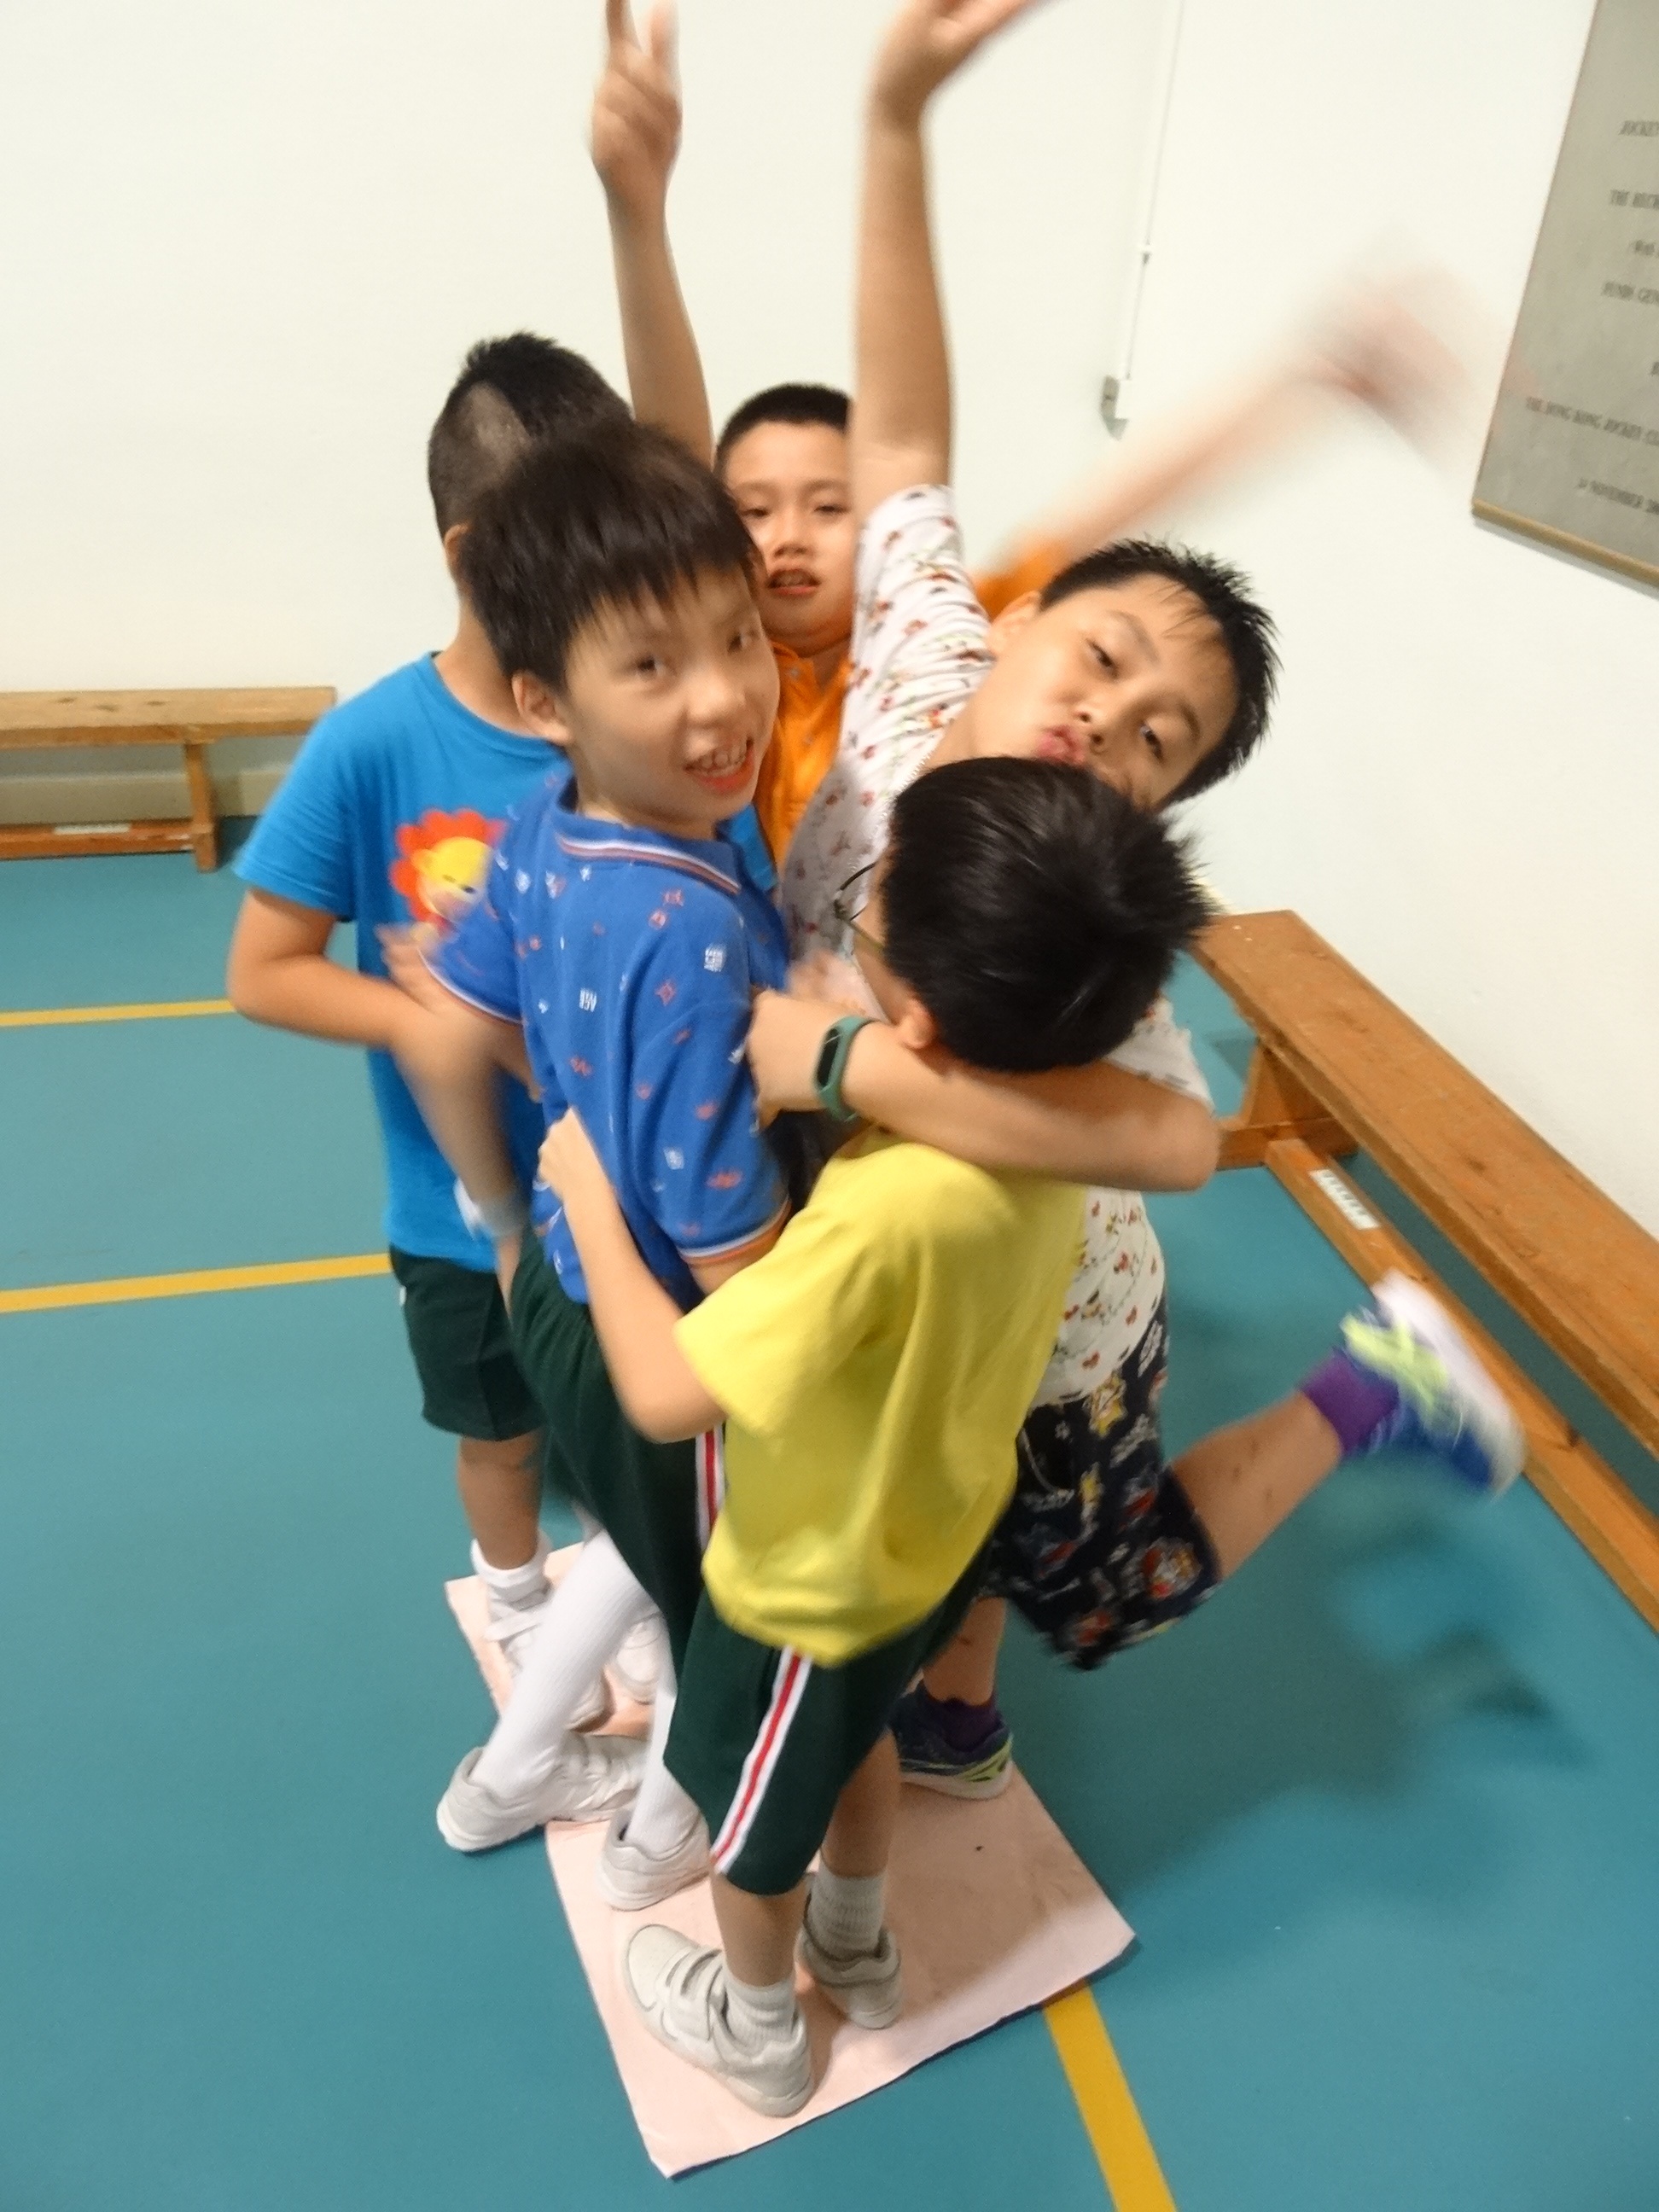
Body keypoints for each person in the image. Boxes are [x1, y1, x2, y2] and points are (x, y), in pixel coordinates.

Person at [742, 0, 1522, 1797]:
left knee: (1101, 1586)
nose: (1108, 716)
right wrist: (895, 116)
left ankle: (1372, 1388)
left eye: (1159, 737)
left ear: (1152, 808)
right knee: (919, 1502)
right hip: (899, 1251)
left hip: (1061, 1340)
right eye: (1098, 659)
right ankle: (952, 1701)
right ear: (1009, 621)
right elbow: (904, 425)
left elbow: (1176, 1143)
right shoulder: (915, 667)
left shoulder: (1091, 947)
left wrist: (845, 1067)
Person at [538, 751, 1214, 2116]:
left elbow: (667, 1392)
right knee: (858, 1747)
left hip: (804, 1585)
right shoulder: (1043, 1146)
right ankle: (859, 1941)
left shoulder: (887, 1211)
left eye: (877, 895)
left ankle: (758, 2026)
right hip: (935, 1541)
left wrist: (588, 1194)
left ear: (917, 1021)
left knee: (752, 1827)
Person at [224, 6, 720, 1699]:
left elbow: (685, 478)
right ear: (471, 553)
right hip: (463, 1209)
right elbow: (266, 969)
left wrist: (639, 212)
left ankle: (634, 1597)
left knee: (650, 1429)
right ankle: (518, 1617)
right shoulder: (377, 742)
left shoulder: (627, 720)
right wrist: (438, 1020)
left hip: (649, 1195)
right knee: (500, 1433)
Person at [393, 416, 795, 1859]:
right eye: (653, 665)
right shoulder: (687, 925)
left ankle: (503, 1779)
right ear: (542, 696)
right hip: (668, 1334)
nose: (724, 698)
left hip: (567, 1277)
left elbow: (461, 1014)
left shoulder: (546, 821)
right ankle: (665, 1845)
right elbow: (737, 1262)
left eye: (739, 637)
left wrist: (518, 1210)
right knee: (725, 1601)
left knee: (628, 1553)